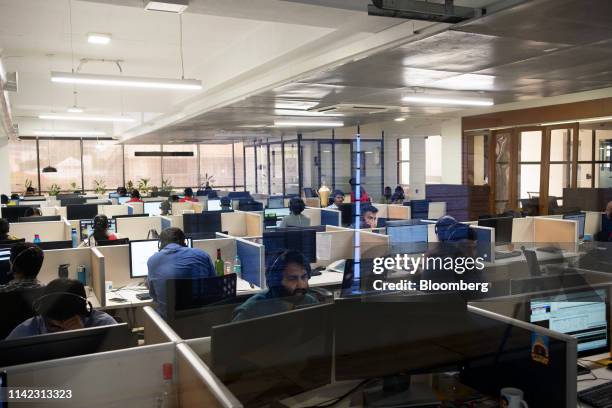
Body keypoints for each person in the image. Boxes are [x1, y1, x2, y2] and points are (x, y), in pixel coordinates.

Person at [7, 278, 116, 339]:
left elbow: (122, 362)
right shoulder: (27, 331)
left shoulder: (104, 324)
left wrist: (82, 336)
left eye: (70, 323)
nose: (61, 332)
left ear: (84, 313)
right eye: (53, 326)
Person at [147, 227, 216, 317]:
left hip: (169, 323)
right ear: (185, 242)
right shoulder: (202, 254)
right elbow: (214, 286)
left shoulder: (153, 260)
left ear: (160, 244)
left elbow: (154, 295)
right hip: (202, 318)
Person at [233, 250, 318, 321]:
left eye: (304, 277)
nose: (301, 285)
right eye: (292, 279)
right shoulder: (250, 312)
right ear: (275, 280)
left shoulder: (310, 303)